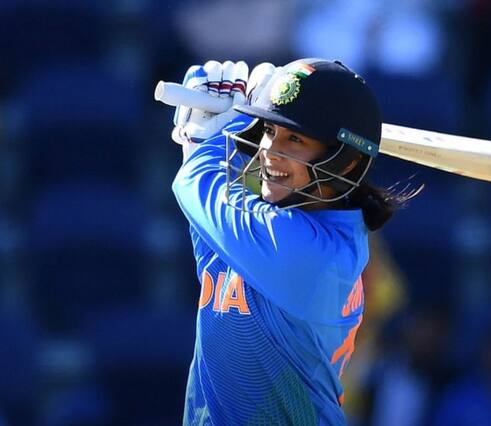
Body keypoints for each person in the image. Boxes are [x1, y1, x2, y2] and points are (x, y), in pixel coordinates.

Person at [168, 58, 415, 425]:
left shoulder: (314, 255)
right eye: (268, 130)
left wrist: (221, 130)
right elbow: (204, 203)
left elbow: (192, 183)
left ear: (346, 162)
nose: (269, 150)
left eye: (294, 139)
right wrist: (209, 142)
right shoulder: (262, 224)